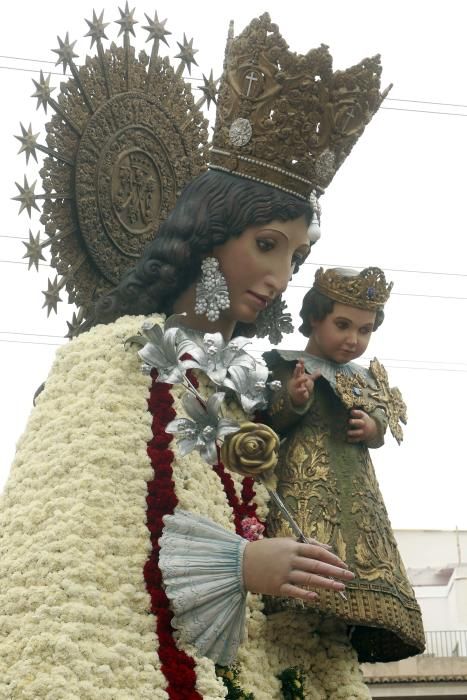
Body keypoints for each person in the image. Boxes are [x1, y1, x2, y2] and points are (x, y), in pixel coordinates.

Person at [0, 12, 390, 699]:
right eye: (266, 245)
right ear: (209, 235)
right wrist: (237, 565)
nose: (279, 275)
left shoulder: (237, 382)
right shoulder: (111, 359)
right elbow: (84, 542)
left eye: (294, 256)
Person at [264, 266, 425, 665]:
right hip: (304, 489)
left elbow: (382, 419)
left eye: (365, 330)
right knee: (305, 581)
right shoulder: (287, 365)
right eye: (343, 325)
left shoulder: (365, 377)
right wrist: (295, 399)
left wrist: (373, 427)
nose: (354, 340)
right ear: (315, 316)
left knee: (359, 570)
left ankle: (339, 643)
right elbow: (267, 423)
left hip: (358, 492)